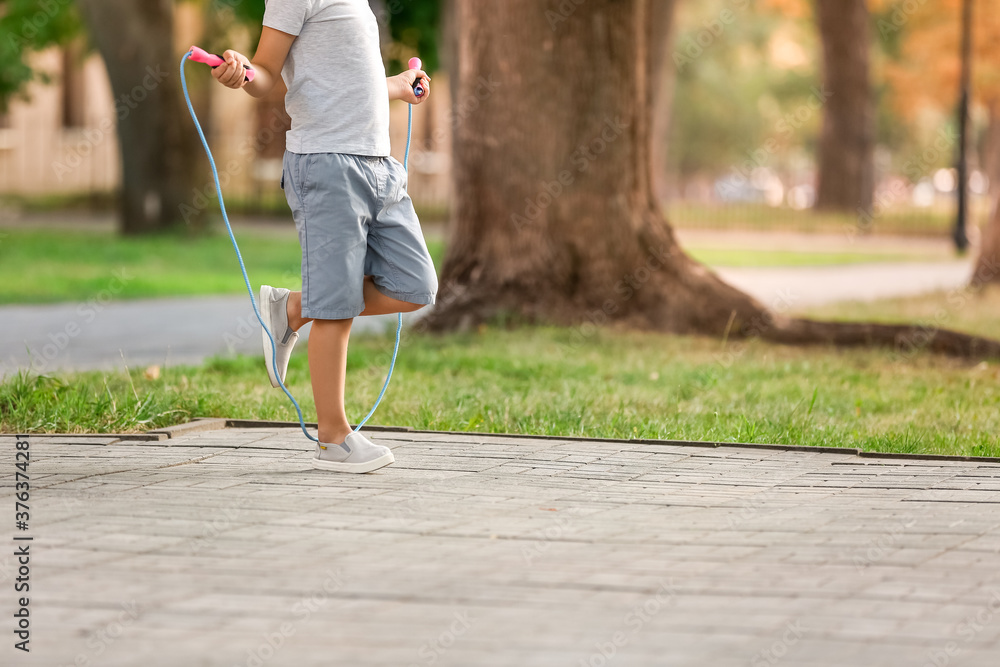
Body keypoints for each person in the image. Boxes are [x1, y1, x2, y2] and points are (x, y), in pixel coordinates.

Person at [210, 0, 437, 474]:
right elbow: (268, 72)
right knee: (335, 305)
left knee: (416, 286)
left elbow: (350, 77)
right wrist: (243, 72)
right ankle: (333, 438)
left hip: (378, 165)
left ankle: (292, 308)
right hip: (327, 166)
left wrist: (397, 85)